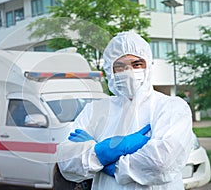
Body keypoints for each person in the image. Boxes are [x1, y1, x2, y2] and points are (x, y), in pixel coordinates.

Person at [57, 31, 193, 189]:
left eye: (136, 64)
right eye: (120, 66)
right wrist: (102, 152)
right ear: (110, 71)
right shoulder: (95, 110)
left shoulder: (172, 108)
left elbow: (161, 163)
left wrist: (104, 161)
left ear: (148, 66)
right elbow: (66, 162)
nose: (128, 72)